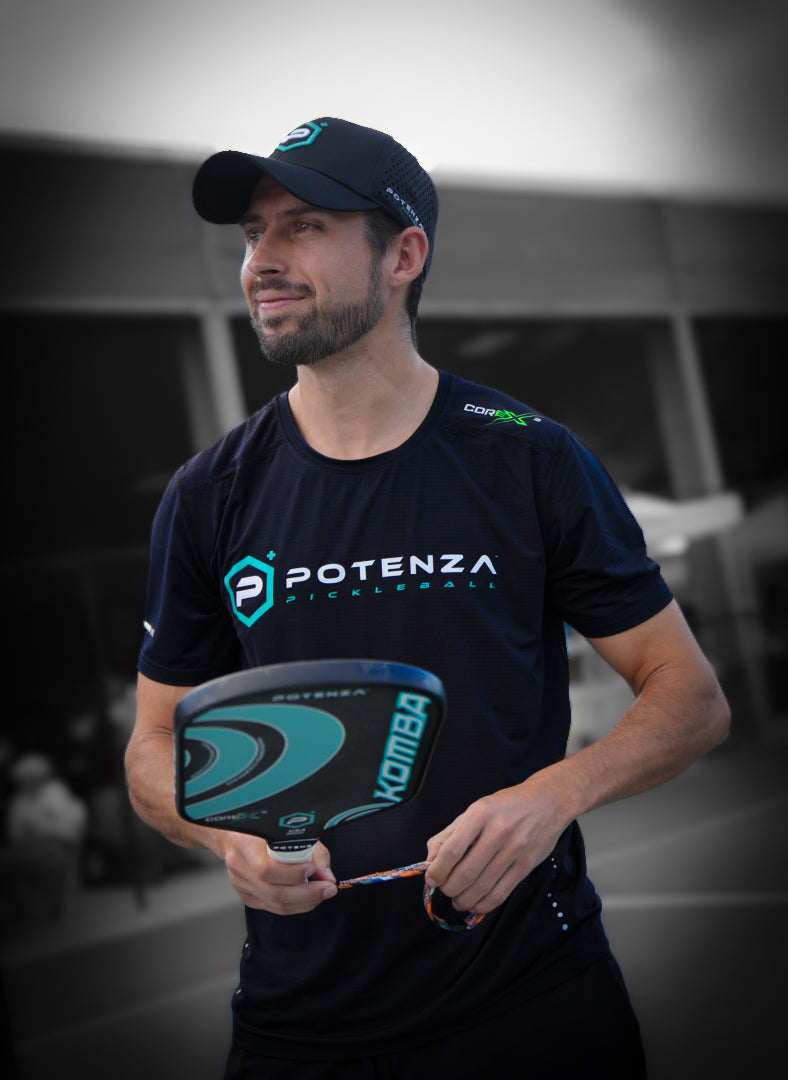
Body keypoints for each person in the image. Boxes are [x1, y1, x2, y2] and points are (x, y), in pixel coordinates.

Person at [125, 117, 730, 1078]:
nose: (263, 261)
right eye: (252, 233)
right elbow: (151, 749)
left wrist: (551, 796)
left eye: (304, 226)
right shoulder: (210, 494)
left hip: (533, 1003)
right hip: (300, 1026)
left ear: (404, 253)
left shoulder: (528, 458)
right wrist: (223, 835)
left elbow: (690, 699)